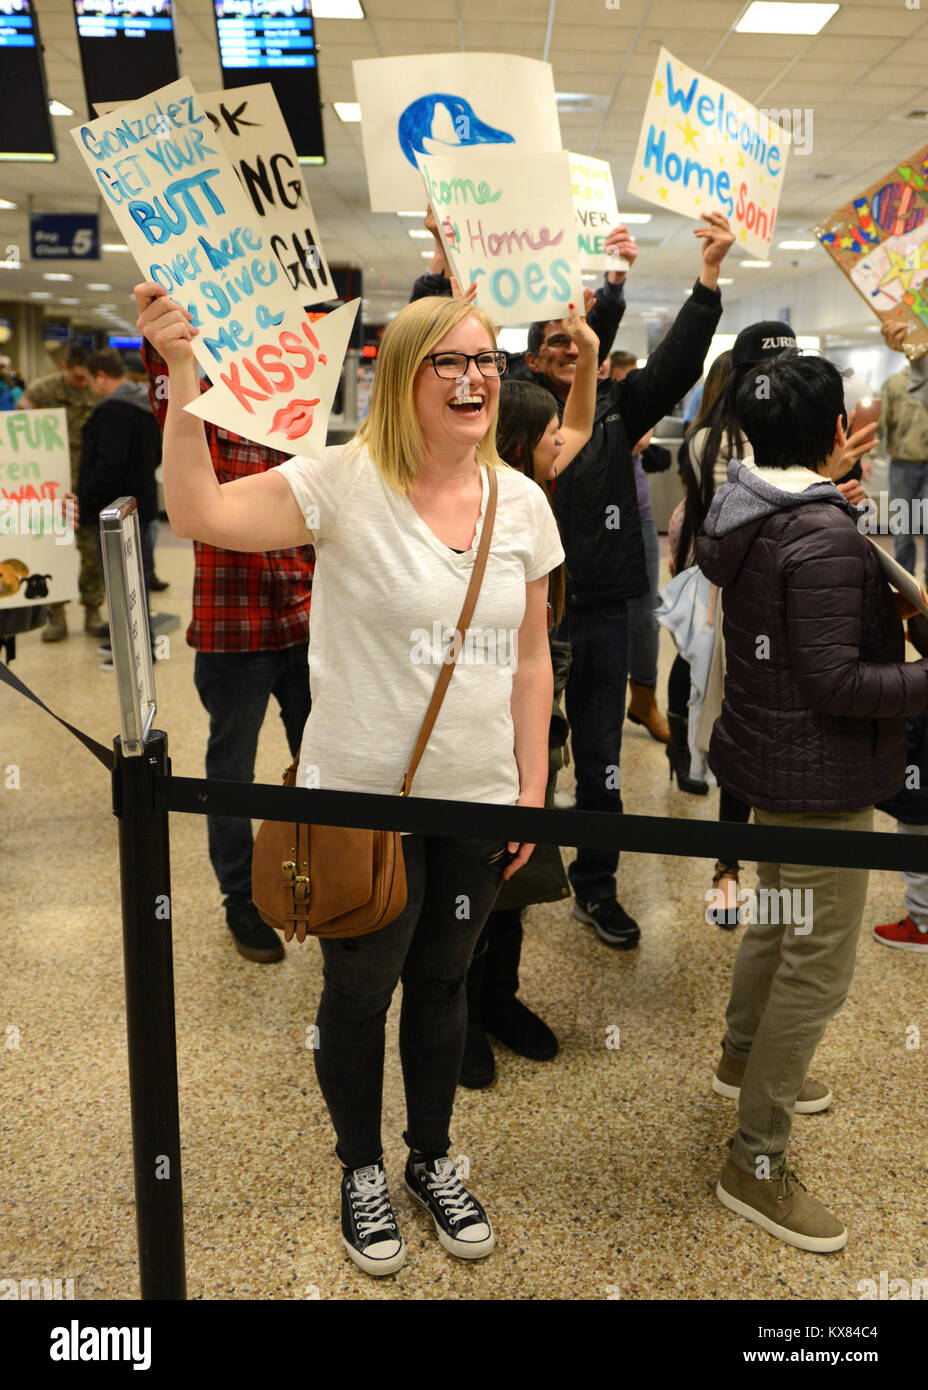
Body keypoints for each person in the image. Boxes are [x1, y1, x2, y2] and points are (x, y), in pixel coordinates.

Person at [135, 281, 564, 1278]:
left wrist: (532, 787)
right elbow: (196, 510)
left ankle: (430, 1156)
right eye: (448, 362)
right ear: (401, 378)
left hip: (478, 801)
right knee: (360, 990)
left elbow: (533, 657)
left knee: (446, 982)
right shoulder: (340, 482)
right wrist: (184, 374)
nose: (474, 378)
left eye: (486, 360)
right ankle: (360, 1165)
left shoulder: (524, 501)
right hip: (359, 802)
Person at [695, 349, 928, 1252]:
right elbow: (836, 681)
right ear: (836, 432)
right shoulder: (822, 531)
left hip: (769, 759)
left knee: (778, 919)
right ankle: (755, 1159)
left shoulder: (746, 504)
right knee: (819, 964)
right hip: (821, 771)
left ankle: (740, 1056)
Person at [516, 210, 734, 949]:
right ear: (530, 358)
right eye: (554, 343)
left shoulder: (617, 408)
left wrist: (706, 282)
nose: (568, 352)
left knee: (602, 762)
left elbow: (675, 364)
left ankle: (596, 888)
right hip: (525, 620)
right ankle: (500, 895)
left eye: (578, 344)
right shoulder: (506, 416)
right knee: (521, 760)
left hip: (604, 610)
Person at [140, 339, 312, 966]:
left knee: (323, 762)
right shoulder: (205, 426)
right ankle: (239, 896)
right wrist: (170, 349)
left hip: (305, 622)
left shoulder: (300, 423)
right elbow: (169, 398)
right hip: (231, 632)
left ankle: (329, 867)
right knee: (230, 775)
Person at [462, 306, 599, 1088]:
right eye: (551, 435)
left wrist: (585, 348)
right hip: (478, 721)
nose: (565, 443)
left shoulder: (532, 493)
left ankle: (502, 998)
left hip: (534, 717)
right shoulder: (480, 505)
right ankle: (461, 1017)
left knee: (520, 873)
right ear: (519, 443)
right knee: (472, 885)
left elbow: (573, 421)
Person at [79, 348, 161, 669]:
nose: (89, 388)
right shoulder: (144, 404)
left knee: (123, 583)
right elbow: (156, 453)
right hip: (141, 505)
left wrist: (89, 499)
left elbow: (107, 464)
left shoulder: (113, 410)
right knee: (135, 579)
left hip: (115, 512)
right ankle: (129, 644)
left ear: (101, 376)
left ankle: (132, 654)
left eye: (89, 380)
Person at [20, 345, 104, 642]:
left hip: (86, 484)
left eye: (86, 379)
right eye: (78, 377)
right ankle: (56, 616)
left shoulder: (96, 391)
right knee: (55, 550)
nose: (83, 384)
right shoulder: (42, 391)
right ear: (65, 366)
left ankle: (93, 609)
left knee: (92, 552)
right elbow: (20, 423)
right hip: (51, 485)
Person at [609, 348, 671, 743]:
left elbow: (643, 443)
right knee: (599, 617)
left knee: (647, 612)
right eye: (628, 376)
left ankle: (644, 699)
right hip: (599, 512)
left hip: (641, 513)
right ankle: (607, 701)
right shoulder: (599, 400)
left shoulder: (634, 405)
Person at [876, 333, 928, 585]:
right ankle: (905, 580)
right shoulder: (895, 384)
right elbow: (880, 422)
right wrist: (868, 456)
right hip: (903, 464)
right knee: (903, 527)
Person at [123, 349, 168, 593]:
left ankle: (148, 576)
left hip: (143, 479)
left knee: (147, 533)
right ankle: (147, 576)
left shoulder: (144, 405)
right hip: (140, 480)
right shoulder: (145, 406)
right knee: (145, 534)